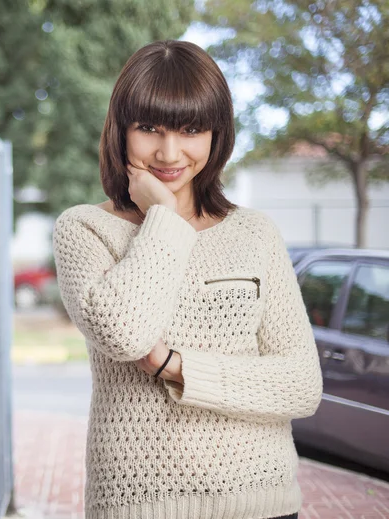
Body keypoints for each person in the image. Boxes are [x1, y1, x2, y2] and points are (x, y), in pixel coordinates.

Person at [52, 40, 322, 519]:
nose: (168, 151)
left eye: (191, 128)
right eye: (149, 127)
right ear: (121, 130)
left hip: (262, 502)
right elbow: (124, 334)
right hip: (139, 506)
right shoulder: (85, 228)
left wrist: (177, 368)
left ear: (216, 134)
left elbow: (301, 384)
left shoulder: (255, 232)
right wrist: (166, 217)